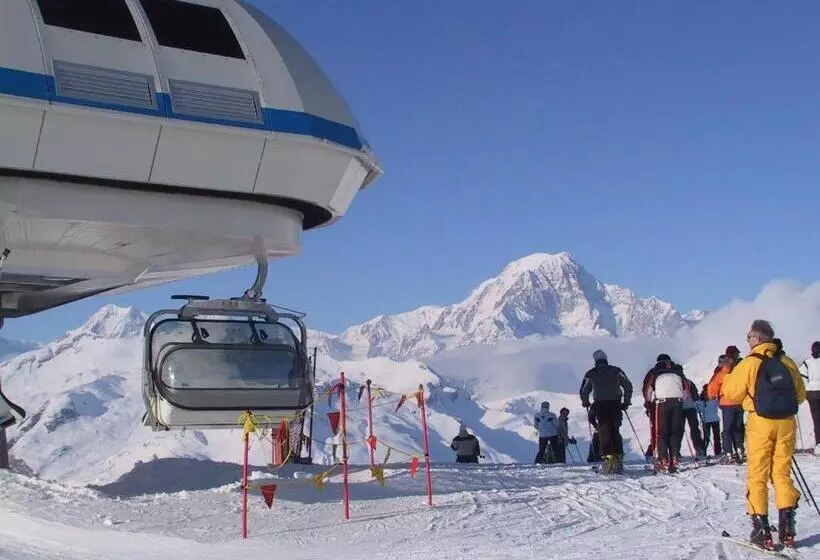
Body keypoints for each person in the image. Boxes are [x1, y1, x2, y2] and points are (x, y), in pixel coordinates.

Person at [723, 319, 806, 550]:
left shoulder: (750, 363)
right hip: (787, 424)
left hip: (761, 423)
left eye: (749, 337)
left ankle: (762, 530)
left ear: (758, 339)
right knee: (781, 473)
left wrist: (730, 374)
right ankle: (787, 529)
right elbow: (800, 396)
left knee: (758, 475)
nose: (748, 341)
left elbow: (731, 394)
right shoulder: (786, 361)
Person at [580, 349, 632, 474]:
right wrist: (626, 402)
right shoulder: (616, 370)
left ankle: (608, 458)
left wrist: (585, 402)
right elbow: (627, 386)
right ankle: (618, 458)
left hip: (600, 405)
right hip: (615, 404)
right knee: (615, 429)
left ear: (595, 361)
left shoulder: (590, 373)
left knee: (604, 431)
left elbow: (584, 390)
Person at [643, 354, 690, 473]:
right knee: (675, 431)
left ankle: (663, 460)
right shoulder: (678, 371)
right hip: (677, 402)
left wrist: (648, 403)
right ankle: (674, 458)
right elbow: (686, 389)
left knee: (661, 432)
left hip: (662, 403)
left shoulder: (655, 372)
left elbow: (647, 389)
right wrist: (680, 400)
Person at [708, 352, 746, 464]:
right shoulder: (738, 371)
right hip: (740, 402)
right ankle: (739, 450)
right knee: (738, 427)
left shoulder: (721, 373)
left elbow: (712, 388)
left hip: (727, 403)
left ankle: (728, 453)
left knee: (727, 429)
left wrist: (712, 396)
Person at [798, 341, 820, 455]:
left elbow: (802, 377)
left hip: (812, 392)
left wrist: (806, 390)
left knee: (816, 419)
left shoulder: (807, 363)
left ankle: (819, 443)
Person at [681, 376, 707, 458]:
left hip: (679, 409)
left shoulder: (675, 381)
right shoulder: (689, 382)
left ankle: (676, 452)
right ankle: (699, 449)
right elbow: (695, 396)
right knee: (694, 429)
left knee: (678, 430)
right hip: (691, 408)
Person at [697, 384, 722, 456]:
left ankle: (718, 452)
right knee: (706, 438)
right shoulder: (701, 401)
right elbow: (697, 408)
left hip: (715, 420)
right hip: (706, 421)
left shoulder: (715, 398)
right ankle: (703, 452)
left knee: (717, 437)